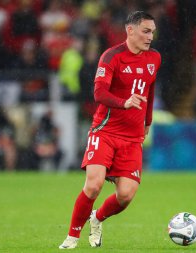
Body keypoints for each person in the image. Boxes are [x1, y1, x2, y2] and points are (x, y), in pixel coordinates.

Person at [59, 11, 161, 249]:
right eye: (146, 31)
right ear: (130, 30)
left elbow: (150, 89)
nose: (150, 37)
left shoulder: (155, 57)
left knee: (125, 196)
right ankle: (72, 236)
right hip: (105, 131)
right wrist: (124, 102)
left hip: (133, 136)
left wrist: (147, 120)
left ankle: (97, 218)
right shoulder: (112, 56)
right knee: (93, 184)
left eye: (153, 32)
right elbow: (99, 93)